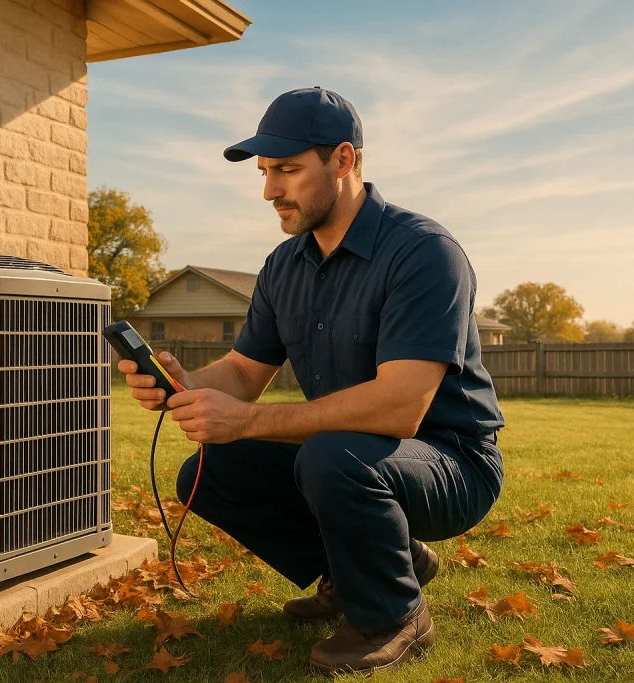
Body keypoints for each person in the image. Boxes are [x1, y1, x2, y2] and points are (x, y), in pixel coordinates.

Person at [117, 86, 505, 676]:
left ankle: (392, 615)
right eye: (266, 172)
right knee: (208, 470)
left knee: (331, 456)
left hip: (452, 463)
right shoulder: (283, 266)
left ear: (343, 161)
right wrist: (186, 380)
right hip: (351, 457)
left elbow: (401, 408)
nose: (270, 190)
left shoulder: (423, 253)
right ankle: (365, 568)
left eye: (289, 171)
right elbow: (246, 372)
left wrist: (248, 421)